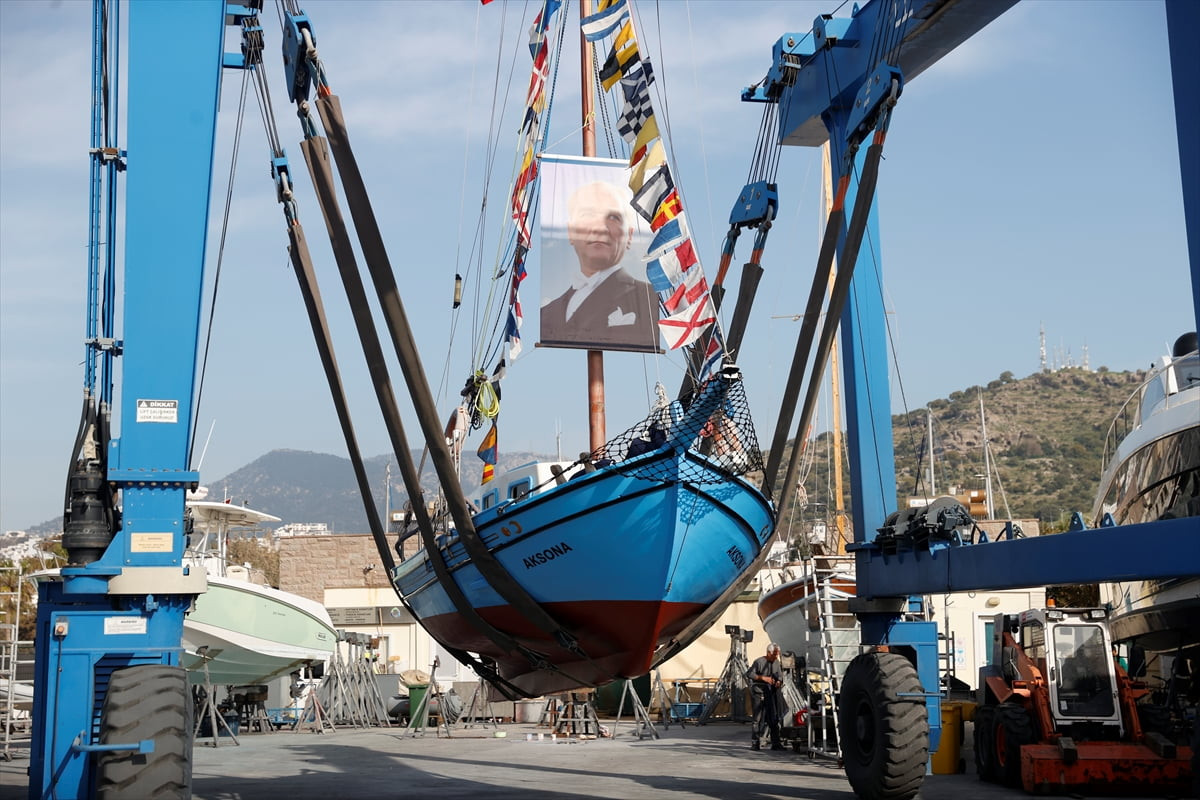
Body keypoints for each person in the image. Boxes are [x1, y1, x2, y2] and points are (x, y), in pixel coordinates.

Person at [540, 181, 659, 350]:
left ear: (630, 235)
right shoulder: (546, 314)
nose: (600, 228)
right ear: (570, 231)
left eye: (613, 217)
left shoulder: (647, 300)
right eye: (588, 215)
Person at [748, 642, 785, 751]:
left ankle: (776, 743)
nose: (776, 657)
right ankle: (755, 743)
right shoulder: (759, 662)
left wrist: (779, 681)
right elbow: (750, 674)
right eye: (774, 654)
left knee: (773, 718)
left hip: (771, 693)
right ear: (768, 653)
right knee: (757, 719)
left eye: (777, 655)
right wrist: (763, 678)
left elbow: (780, 675)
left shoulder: (776, 663)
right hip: (759, 693)